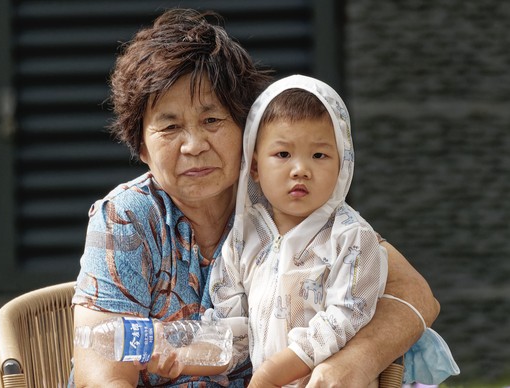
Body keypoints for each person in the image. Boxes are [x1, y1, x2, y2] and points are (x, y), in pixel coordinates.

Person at [70, 8, 440, 388]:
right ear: (142, 147)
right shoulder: (127, 218)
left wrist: (355, 360)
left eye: (212, 120)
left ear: (246, 127)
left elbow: (416, 293)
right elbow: (102, 379)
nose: (194, 145)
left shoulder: (283, 197)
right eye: (169, 126)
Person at [206, 75, 459, 387]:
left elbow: (344, 318)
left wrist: (271, 375)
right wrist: (190, 356)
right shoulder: (245, 237)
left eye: (319, 155)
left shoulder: (351, 238)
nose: (300, 169)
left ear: (342, 165)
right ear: (255, 166)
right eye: (283, 154)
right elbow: (233, 321)